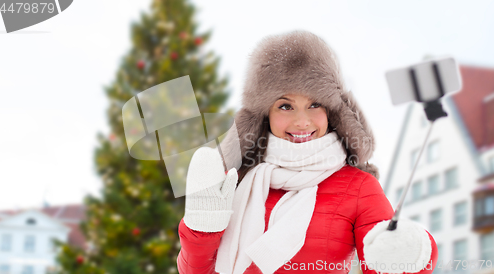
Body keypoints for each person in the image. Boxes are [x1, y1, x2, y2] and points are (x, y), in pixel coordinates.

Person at [176, 30, 438, 274]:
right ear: (264, 115)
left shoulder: (359, 187)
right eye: (285, 106)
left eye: (314, 104)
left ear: (332, 112)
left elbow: (385, 264)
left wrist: (407, 250)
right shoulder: (235, 182)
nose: (302, 121)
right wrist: (201, 230)